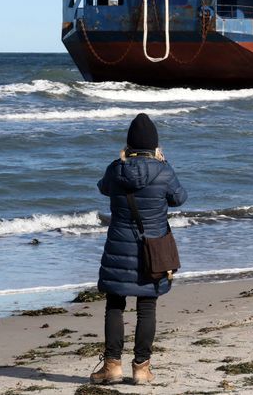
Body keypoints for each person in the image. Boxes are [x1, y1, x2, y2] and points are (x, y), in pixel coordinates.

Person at [90, 113, 187, 385]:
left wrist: (121, 162)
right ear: (155, 146)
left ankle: (111, 366)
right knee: (147, 306)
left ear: (129, 145)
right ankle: (141, 369)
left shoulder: (115, 169)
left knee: (114, 305)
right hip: (152, 250)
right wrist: (163, 163)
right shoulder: (164, 171)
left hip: (118, 247)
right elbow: (179, 198)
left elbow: (103, 188)